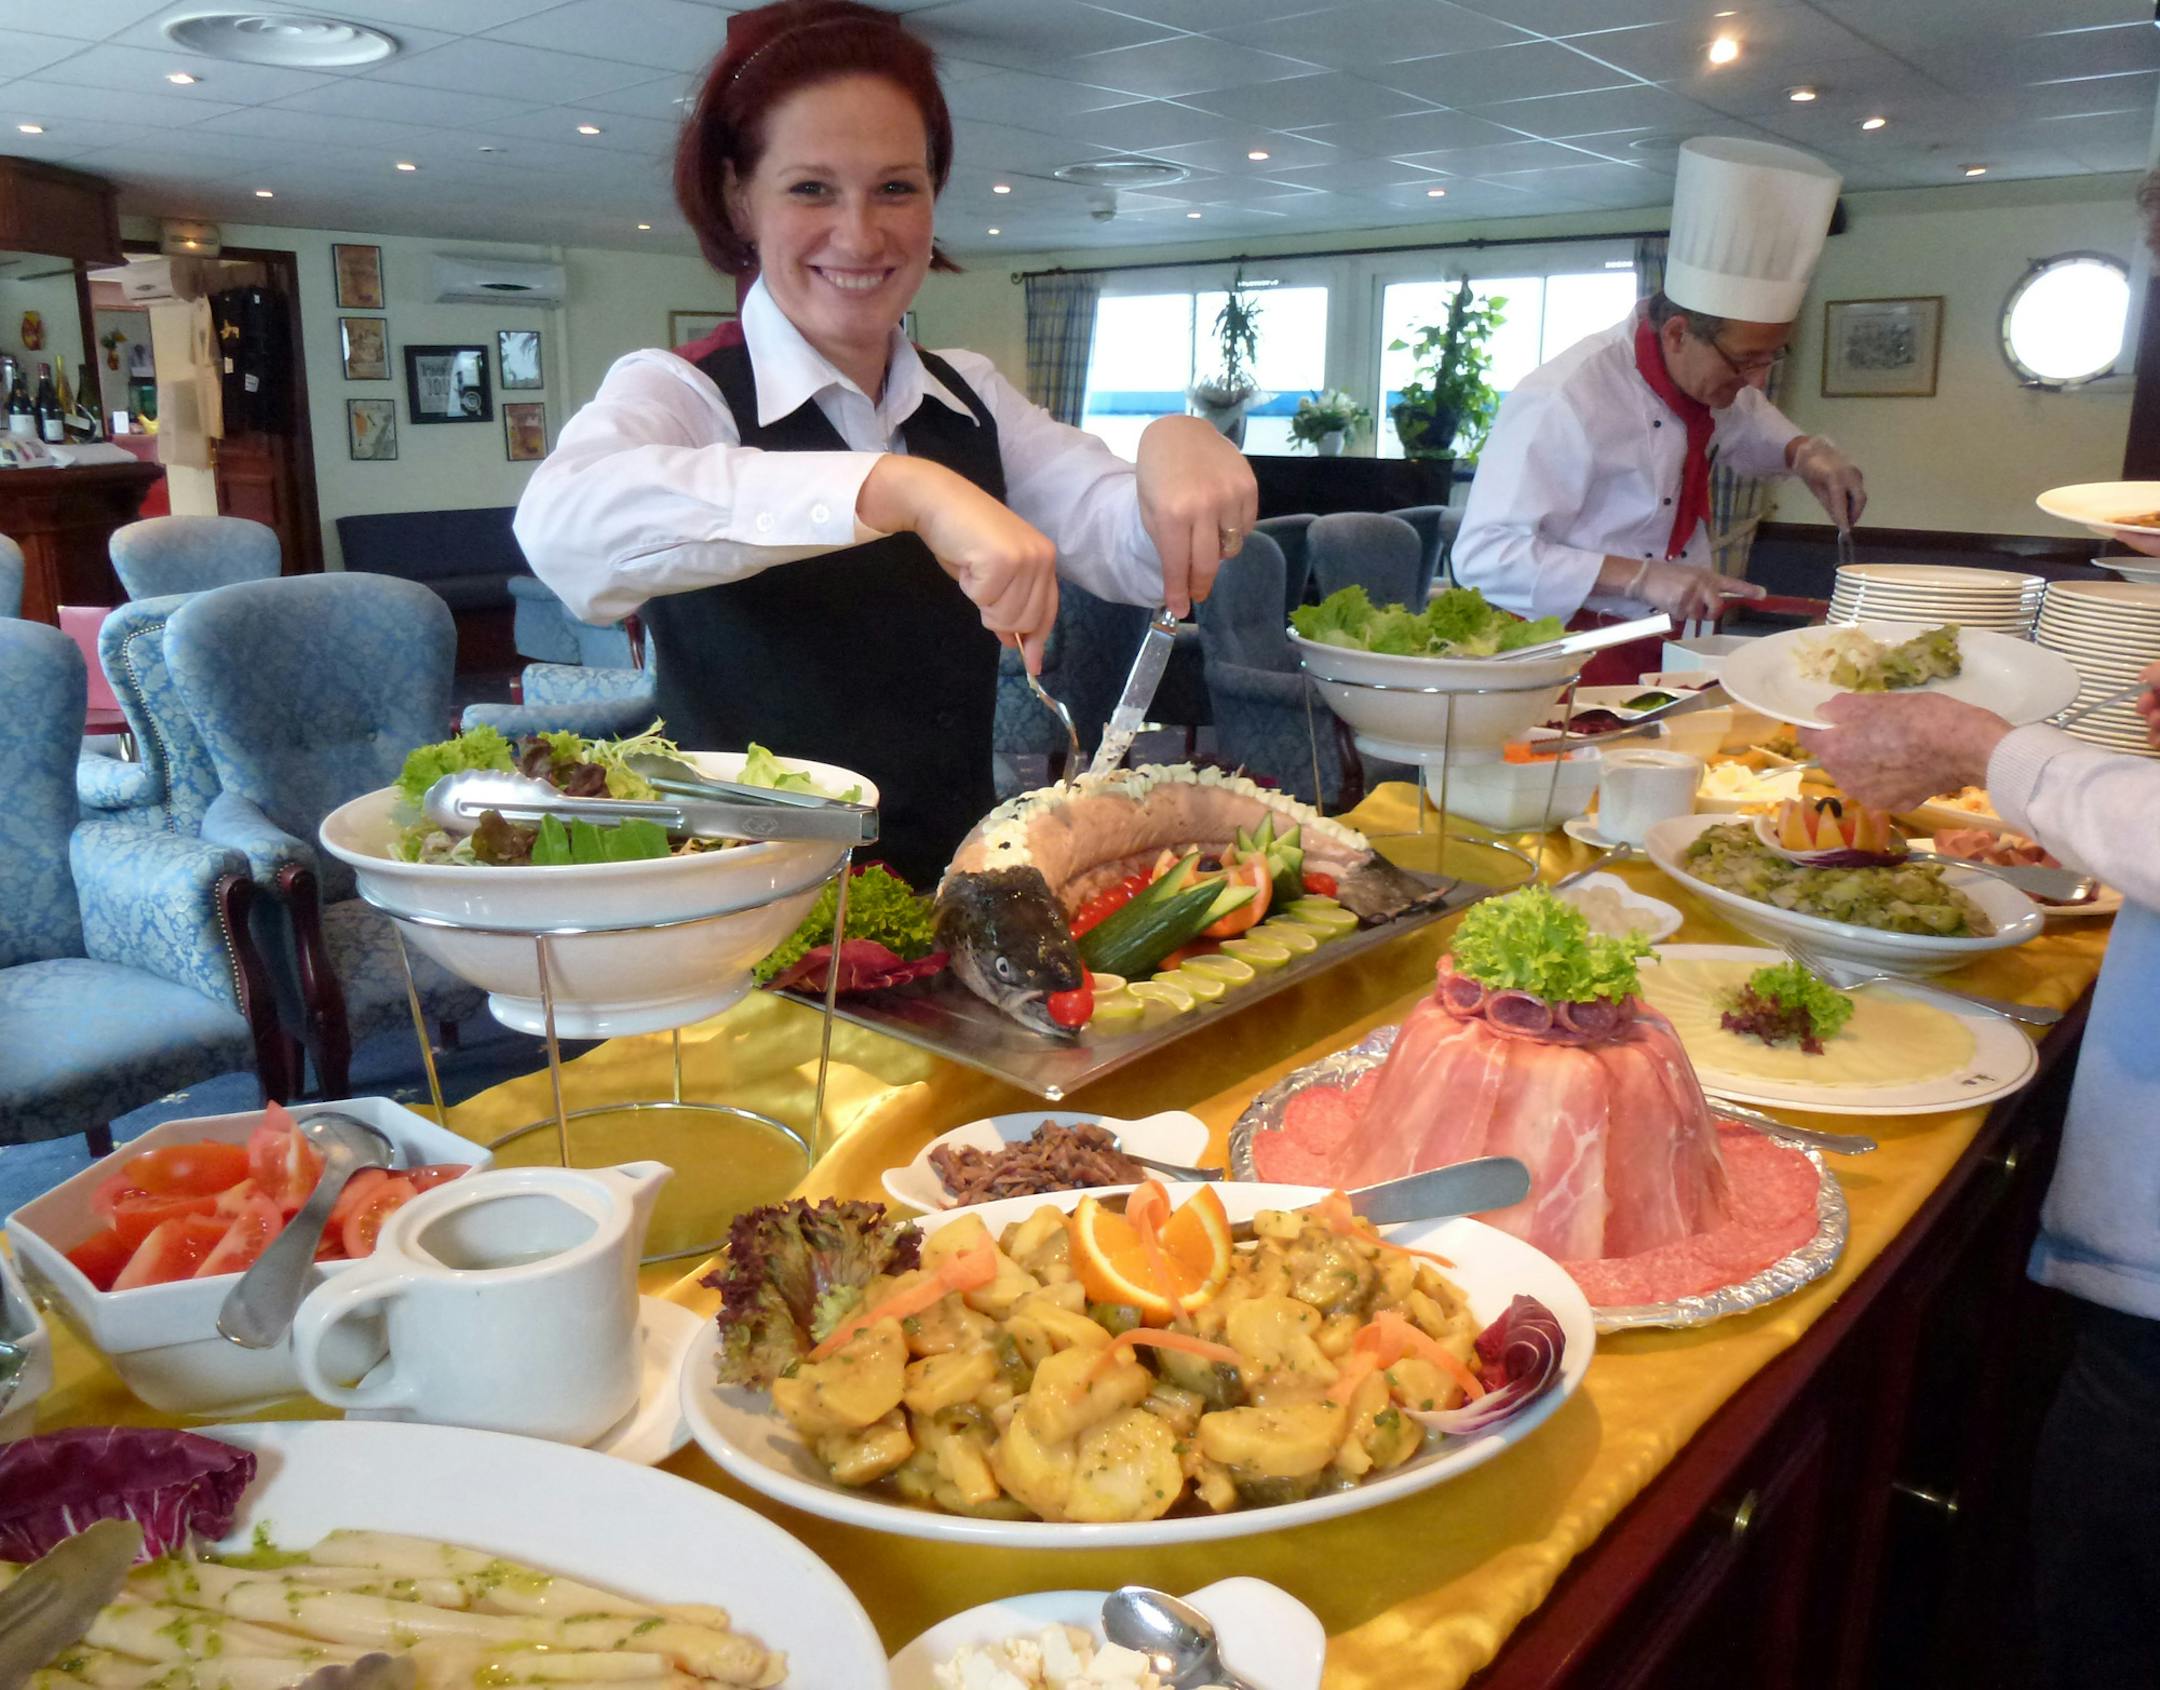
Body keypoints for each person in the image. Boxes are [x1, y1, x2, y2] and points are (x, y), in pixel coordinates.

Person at [514, 0, 1256, 882]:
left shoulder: (969, 393)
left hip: (949, 877)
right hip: (738, 907)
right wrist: (901, 489)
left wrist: (1176, 452)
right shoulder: (683, 389)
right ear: (736, 196)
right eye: (811, 188)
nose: (860, 235)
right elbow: (564, 534)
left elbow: (1128, 549)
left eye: (896, 188)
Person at [1454, 137, 1868, 636]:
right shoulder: (1564, 396)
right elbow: (1485, 556)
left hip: (1670, 636)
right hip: (1564, 644)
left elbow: (1751, 423)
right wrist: (1641, 578)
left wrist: (1807, 454)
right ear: (1676, 334)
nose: (1754, 382)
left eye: (1770, 359)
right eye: (1743, 362)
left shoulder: (1712, 386)